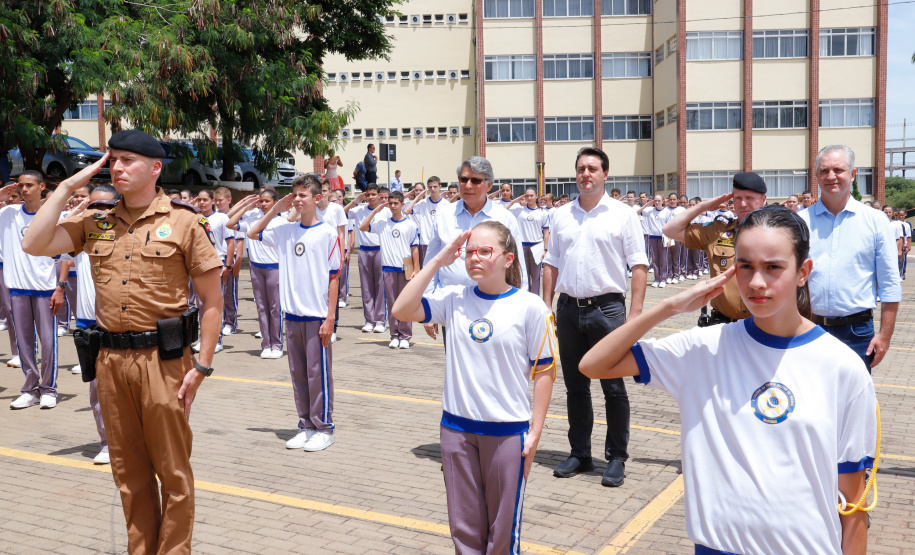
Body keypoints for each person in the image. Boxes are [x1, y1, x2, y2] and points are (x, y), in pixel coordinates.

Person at [580, 205, 876, 555]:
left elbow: (853, 501)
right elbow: (594, 365)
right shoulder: (704, 348)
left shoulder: (842, 366)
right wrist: (669, 307)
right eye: (745, 266)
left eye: (774, 267)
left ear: (803, 272)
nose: (757, 283)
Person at [23, 129, 223, 555]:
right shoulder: (95, 222)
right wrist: (66, 186)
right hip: (111, 361)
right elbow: (34, 242)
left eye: (129, 159)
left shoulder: (186, 222)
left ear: (155, 168)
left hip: (164, 362)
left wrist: (201, 367)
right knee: (129, 474)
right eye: (113, 159)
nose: (117, 167)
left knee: (173, 474)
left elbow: (212, 302)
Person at [392, 221, 556, 555]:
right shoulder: (454, 299)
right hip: (456, 431)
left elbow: (545, 371)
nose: (474, 259)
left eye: (485, 251)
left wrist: (536, 430)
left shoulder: (531, 307)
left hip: (507, 432)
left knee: (501, 532)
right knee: (464, 530)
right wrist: (437, 261)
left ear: (508, 259)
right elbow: (402, 309)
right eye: (469, 253)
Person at [542, 147, 647, 487]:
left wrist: (635, 315)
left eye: (592, 168)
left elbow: (639, 264)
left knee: (614, 388)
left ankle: (616, 457)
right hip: (569, 309)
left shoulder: (623, 214)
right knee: (575, 386)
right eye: (581, 168)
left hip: (608, 310)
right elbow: (551, 262)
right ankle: (580, 453)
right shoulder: (561, 216)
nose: (585, 173)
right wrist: (546, 306)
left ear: (605, 175)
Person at [246, 175, 341, 452]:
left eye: (304, 195)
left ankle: (324, 427)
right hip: (293, 316)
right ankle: (306, 425)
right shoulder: (285, 230)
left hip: (316, 316)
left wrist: (330, 318)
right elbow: (253, 233)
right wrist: (276, 210)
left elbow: (334, 276)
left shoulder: (327, 233)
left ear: (317, 199)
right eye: (295, 195)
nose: (298, 200)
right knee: (298, 374)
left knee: (318, 373)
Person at [799, 145, 901, 373]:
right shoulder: (800, 221)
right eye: (824, 171)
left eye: (839, 170)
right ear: (816, 175)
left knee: (853, 404)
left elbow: (889, 283)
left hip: (857, 333)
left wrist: (885, 335)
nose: (831, 176)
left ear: (853, 175)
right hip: (808, 327)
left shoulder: (875, 221)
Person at [421, 156, 527, 342]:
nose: (468, 185)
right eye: (464, 179)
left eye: (476, 180)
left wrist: (520, 306)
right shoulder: (444, 216)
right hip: (453, 306)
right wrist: (429, 302)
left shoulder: (504, 218)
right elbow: (432, 261)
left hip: (494, 306)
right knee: (457, 366)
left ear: (488, 185)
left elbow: (518, 267)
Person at [663, 172, 768, 326]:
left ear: (763, 200)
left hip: (764, 328)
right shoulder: (717, 231)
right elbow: (670, 230)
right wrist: (702, 206)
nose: (743, 204)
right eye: (738, 198)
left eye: (750, 198)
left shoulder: (777, 233)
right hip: (724, 326)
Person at [66, 183, 118, 464]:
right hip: (89, 323)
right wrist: (77, 209)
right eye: (93, 205)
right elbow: (46, 238)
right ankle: (107, 443)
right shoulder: (80, 236)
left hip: (119, 324)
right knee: (97, 391)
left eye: (106, 206)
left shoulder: (123, 235)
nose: (99, 211)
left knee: (126, 390)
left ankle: (133, 443)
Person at [0, 171, 61, 409]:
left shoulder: (52, 216)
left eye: (29, 185)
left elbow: (65, 257)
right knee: (25, 343)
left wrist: (61, 286)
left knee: (48, 341)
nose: (24, 190)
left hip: (45, 287)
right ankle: (30, 388)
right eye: (21, 186)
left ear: (42, 187)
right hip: (17, 288)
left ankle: (49, 388)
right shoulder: (8, 213)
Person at [226, 190, 286, 359]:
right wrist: (246, 206)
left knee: (275, 308)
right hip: (256, 268)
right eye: (261, 201)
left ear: (275, 202)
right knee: (261, 307)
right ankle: (266, 344)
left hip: (275, 268)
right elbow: (229, 223)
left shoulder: (281, 222)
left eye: (267, 201)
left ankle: (277, 344)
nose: (263, 204)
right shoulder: (252, 218)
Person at [360, 190, 419, 348]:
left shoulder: (410, 225)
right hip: (388, 269)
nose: (393, 206)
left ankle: (405, 336)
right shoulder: (382, 224)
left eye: (396, 203)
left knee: (405, 304)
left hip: (405, 269)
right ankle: (394, 335)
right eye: (390, 203)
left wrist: (417, 269)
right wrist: (375, 211)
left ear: (402, 204)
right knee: (392, 304)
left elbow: (414, 249)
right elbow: (363, 227)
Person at [345, 184, 389, 333]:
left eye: (373, 194)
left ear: (378, 195)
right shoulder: (359, 210)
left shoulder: (386, 212)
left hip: (380, 250)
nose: (371, 197)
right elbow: (341, 213)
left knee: (380, 287)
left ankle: (380, 320)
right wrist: (355, 201)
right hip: (364, 251)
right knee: (366, 287)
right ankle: (369, 320)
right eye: (368, 195)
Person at [512, 188, 549, 295]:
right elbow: (505, 208)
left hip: (537, 246)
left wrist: (545, 249)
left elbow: (546, 232)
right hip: (522, 246)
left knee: (536, 276)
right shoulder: (520, 210)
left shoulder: (543, 212)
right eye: (527, 196)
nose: (529, 198)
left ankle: (535, 299)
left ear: (536, 196)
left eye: (531, 195)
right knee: (524, 275)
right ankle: (525, 297)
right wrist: (516, 200)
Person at [214, 187, 241, 335]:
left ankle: (230, 322)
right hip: (216, 258)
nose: (218, 203)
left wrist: (236, 261)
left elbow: (239, 241)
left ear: (229, 200)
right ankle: (220, 320)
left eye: (221, 200)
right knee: (218, 293)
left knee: (229, 293)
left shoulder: (234, 217)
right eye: (216, 200)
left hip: (229, 257)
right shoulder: (213, 216)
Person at [405, 177, 445, 267]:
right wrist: (418, 197)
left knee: (440, 268)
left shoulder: (446, 204)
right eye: (430, 187)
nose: (433, 189)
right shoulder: (423, 203)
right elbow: (407, 211)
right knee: (426, 269)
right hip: (425, 242)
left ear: (440, 187)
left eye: (435, 186)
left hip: (440, 242)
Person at [637, 195, 671, 288]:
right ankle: (657, 279)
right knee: (655, 259)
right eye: (655, 201)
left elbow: (671, 226)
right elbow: (637, 212)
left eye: (659, 201)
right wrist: (647, 205)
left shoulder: (667, 212)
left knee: (663, 259)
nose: (657, 202)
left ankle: (663, 278)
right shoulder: (650, 211)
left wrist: (669, 239)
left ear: (663, 201)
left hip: (663, 237)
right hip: (652, 237)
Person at [332, 190, 355, 307]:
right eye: (335, 199)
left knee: (342, 274)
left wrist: (349, 251)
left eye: (339, 198)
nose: (337, 200)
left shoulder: (346, 214)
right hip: (331, 249)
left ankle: (342, 296)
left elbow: (350, 233)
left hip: (343, 247)